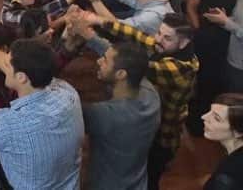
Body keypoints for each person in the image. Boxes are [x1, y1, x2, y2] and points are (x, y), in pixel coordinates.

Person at [75, 13, 199, 190]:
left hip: (163, 137)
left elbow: (131, 64)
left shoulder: (177, 69)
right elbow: (137, 35)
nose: (158, 40)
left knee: (152, 176)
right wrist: (97, 20)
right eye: (159, 33)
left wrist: (90, 37)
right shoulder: (167, 47)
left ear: (184, 43)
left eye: (167, 38)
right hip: (150, 124)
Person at [0, 24, 84, 190]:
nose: (3, 63)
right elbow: (20, 68)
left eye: (8, 63)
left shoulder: (12, 125)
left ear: (22, 77)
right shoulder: (67, 92)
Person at [78, 36, 161, 190]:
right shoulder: (150, 95)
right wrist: (87, 35)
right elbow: (123, 58)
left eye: (105, 60)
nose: (99, 61)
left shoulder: (104, 115)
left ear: (121, 74)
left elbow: (64, 113)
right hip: (138, 183)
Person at [186, 0, 242, 136]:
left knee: (223, 82)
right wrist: (198, 30)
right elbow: (191, 7)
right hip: (208, 38)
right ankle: (197, 123)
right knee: (205, 80)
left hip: (232, 38)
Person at [202, 93, 243, 190]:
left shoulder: (226, 179)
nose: (204, 117)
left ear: (238, 132)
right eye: (210, 112)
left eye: (216, 118)